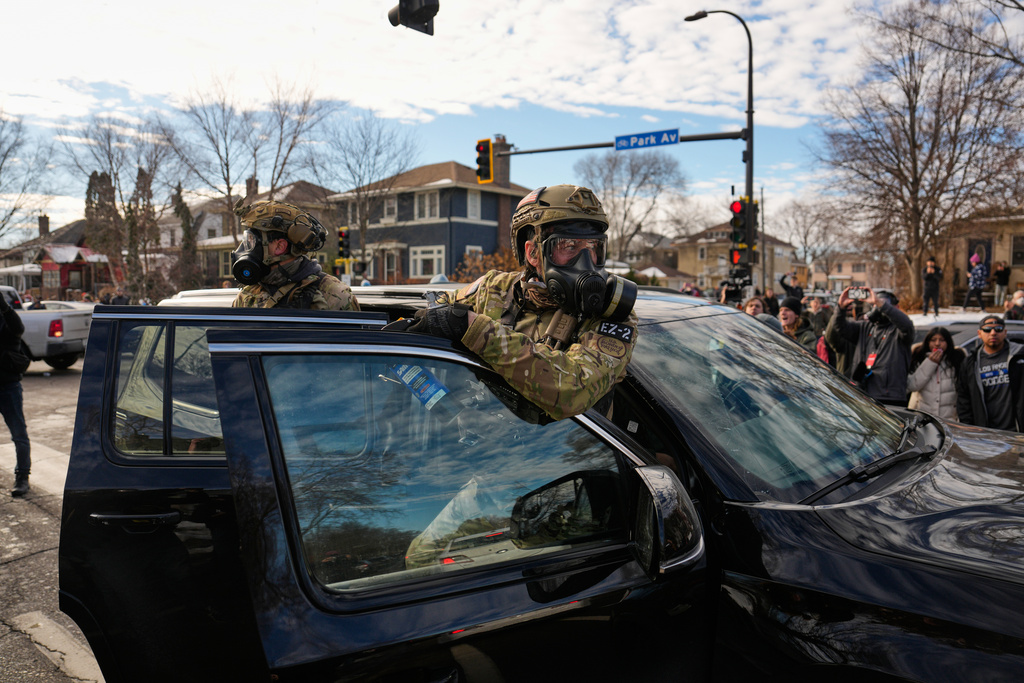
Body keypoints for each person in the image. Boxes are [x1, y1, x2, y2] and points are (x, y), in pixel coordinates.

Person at [403, 184, 638, 421]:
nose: (587, 260)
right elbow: (430, 317)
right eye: (569, 246)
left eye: (594, 247)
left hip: (570, 453)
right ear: (533, 253)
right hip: (492, 448)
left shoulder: (613, 313)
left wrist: (475, 329)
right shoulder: (493, 289)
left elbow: (573, 389)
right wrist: (446, 406)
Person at [230, 200, 359, 311]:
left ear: (280, 246)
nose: (245, 248)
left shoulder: (335, 296)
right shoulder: (247, 296)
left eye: (252, 240)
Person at [829, 286, 915, 406]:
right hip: (863, 394)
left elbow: (907, 326)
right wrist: (840, 307)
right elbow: (840, 327)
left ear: (896, 308)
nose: (879, 308)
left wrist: (881, 305)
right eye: (875, 305)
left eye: (883, 304)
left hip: (891, 398)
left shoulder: (899, 332)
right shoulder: (865, 327)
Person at [956, 315, 1024, 431]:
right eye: (987, 330)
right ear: (979, 333)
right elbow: (963, 399)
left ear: (1005, 332)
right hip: (986, 434)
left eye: (998, 329)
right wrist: (969, 428)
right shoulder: (971, 363)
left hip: (1017, 432)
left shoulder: (1019, 357)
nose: (993, 333)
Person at [0, 294, 30, 496]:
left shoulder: (7, 323)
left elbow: (18, 327)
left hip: (8, 387)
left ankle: (22, 477)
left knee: (19, 434)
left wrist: (4, 305)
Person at [907, 326, 964, 421]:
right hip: (922, 419)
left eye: (942, 340)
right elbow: (912, 386)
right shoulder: (918, 357)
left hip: (949, 419)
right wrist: (930, 363)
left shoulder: (956, 360)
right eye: (933, 340)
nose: (937, 344)